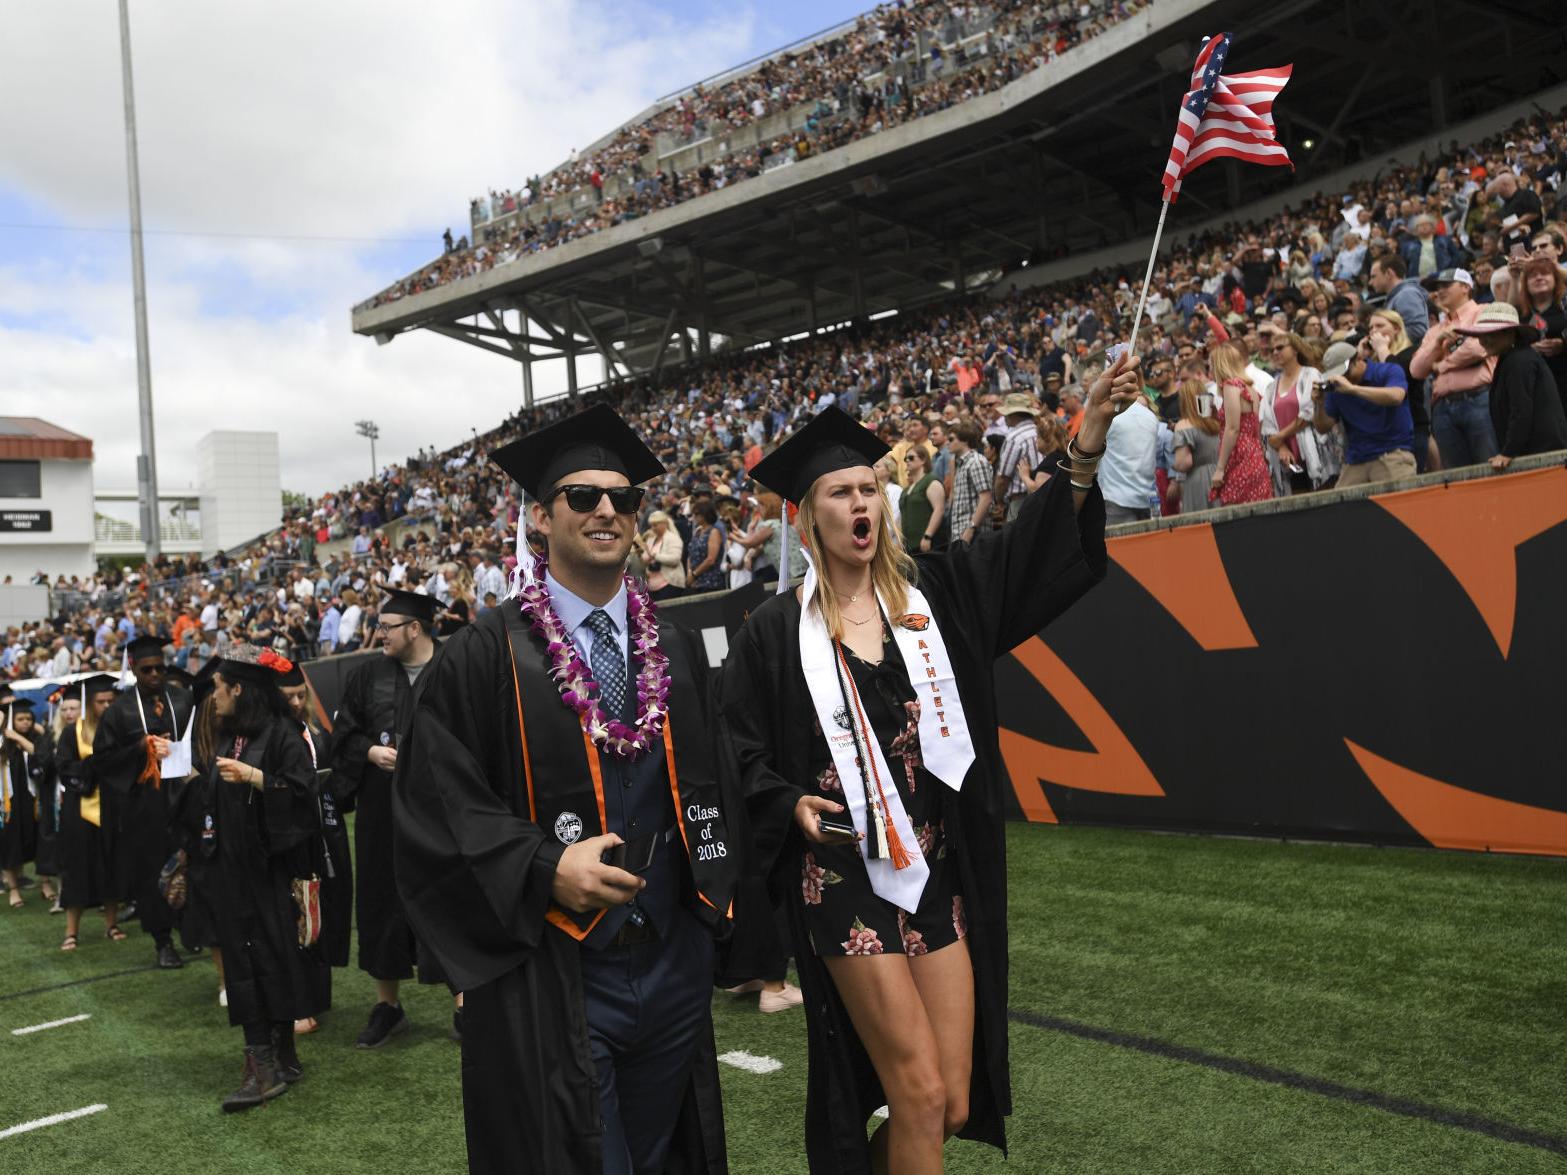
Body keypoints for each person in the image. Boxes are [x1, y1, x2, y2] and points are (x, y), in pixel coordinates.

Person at [720, 358, 1138, 1173]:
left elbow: (1023, 554)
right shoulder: (773, 632)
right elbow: (738, 749)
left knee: (948, 1101)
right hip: (842, 875)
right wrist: (786, 802)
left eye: (867, 488)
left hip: (934, 869)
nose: (859, 503)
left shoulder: (932, 598)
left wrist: (1084, 440)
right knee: (911, 1092)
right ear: (808, 516)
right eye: (839, 492)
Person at [392, 404, 738, 1175]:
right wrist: (545, 864)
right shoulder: (484, 654)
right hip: (557, 973)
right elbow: (436, 802)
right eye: (582, 495)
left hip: (673, 962)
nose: (606, 509)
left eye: (623, 497)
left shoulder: (675, 645)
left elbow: (718, 774)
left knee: (660, 1156)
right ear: (541, 517)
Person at [202, 644, 328, 1112]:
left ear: (238, 689)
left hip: (271, 874)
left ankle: (265, 1067)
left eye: (219, 687)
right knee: (251, 961)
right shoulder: (231, 735)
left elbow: (304, 796)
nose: (214, 696)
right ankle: (280, 1058)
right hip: (234, 872)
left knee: (269, 961)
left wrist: (255, 777)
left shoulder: (282, 736)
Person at [330, 588, 441, 1048]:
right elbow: (343, 735)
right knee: (380, 899)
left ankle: (465, 1004)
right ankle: (388, 1006)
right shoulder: (367, 675)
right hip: (382, 812)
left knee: (449, 897)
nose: (379, 635)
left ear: (414, 628)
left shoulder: (453, 668)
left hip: (441, 811)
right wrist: (369, 752)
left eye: (387, 627)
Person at [93, 634, 194, 970]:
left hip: (185, 794)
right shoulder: (119, 712)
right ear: (134, 669)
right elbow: (103, 760)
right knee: (152, 872)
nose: (154, 675)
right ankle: (162, 941)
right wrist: (139, 748)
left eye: (159, 668)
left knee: (192, 863)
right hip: (145, 805)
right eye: (147, 669)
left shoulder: (182, 700)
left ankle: (190, 925)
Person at [1451, 302, 1567, 468]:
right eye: (1480, 335)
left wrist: (1508, 452)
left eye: (1490, 334)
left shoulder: (1519, 361)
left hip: (1544, 458)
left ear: (1510, 333)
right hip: (1538, 455)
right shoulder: (1511, 359)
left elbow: (1520, 410)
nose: (1483, 341)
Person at [55, 675, 123, 951]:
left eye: (110, 701)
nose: (106, 706)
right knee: (77, 869)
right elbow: (64, 768)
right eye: (100, 701)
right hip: (79, 810)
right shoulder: (72, 732)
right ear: (89, 703)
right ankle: (71, 931)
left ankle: (112, 924)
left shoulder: (118, 731)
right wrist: (93, 766)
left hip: (111, 808)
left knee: (111, 865)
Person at [1411, 267, 1497, 469]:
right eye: (1437, 287)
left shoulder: (1484, 311)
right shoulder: (1434, 332)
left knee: (1490, 467)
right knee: (1456, 476)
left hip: (1479, 398)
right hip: (1443, 408)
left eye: (1446, 285)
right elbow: (1416, 370)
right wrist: (1437, 344)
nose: (1440, 291)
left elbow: (1479, 348)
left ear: (1466, 287)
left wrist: (1442, 365)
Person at [1313, 337, 1418, 487]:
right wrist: (1319, 403)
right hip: (1357, 458)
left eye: (1345, 372)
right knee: (1341, 501)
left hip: (1392, 452)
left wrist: (1353, 389)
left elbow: (1396, 396)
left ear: (1359, 359)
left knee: (1399, 499)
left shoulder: (1387, 371)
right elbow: (1323, 427)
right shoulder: (1336, 387)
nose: (1343, 377)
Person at [1208, 343, 1274, 505]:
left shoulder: (1231, 386)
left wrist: (1220, 468)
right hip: (1255, 454)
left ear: (1220, 364)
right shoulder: (1250, 389)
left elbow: (1233, 429)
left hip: (1239, 457)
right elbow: (1253, 426)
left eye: (1211, 365)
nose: (1210, 370)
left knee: (1237, 510)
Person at [2, 698, 47, 907]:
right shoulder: (3, 743)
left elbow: (41, 754)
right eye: (20, 719)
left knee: (40, 843)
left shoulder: (35, 739)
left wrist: (18, 737)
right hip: (10, 803)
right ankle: (13, 889)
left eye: (29, 718)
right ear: (11, 720)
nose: (26, 723)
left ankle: (46, 883)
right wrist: (7, 733)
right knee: (10, 845)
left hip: (33, 801)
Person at [1169, 376, 1222, 512]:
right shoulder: (1215, 422)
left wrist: (1173, 465)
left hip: (1198, 482)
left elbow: (1184, 463)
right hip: (1219, 476)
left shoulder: (1183, 425)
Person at [945, 420, 992, 547]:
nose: (948, 443)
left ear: (965, 440)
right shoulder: (961, 464)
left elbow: (986, 498)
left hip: (975, 536)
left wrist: (971, 528)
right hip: (960, 535)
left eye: (951, 439)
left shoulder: (976, 461)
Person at [899, 444, 947, 552]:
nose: (907, 460)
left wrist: (927, 536)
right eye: (905, 458)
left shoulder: (931, 481)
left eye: (911, 457)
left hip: (928, 544)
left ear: (923, 459)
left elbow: (939, 510)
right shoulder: (906, 490)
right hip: (909, 547)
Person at [636, 509, 685, 599]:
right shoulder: (651, 539)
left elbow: (675, 559)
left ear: (664, 524)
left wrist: (655, 556)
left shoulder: (673, 538)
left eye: (655, 525)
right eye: (651, 525)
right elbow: (645, 557)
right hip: (651, 586)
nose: (653, 528)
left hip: (670, 584)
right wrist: (645, 559)